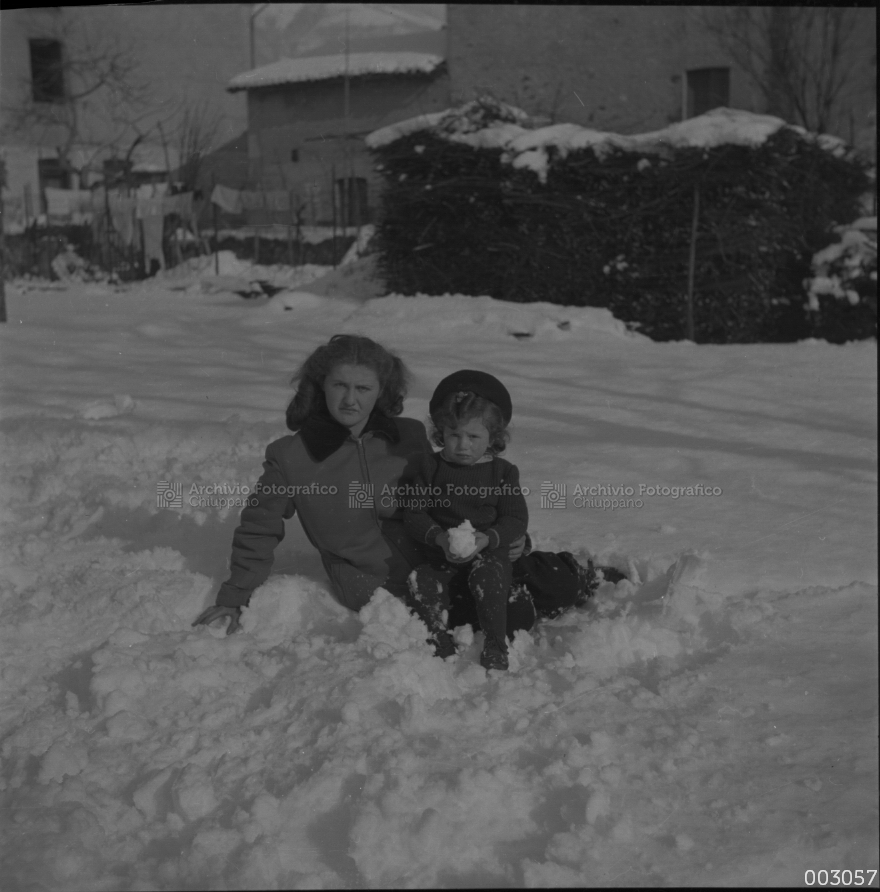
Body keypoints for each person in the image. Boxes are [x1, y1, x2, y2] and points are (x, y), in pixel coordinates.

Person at [192, 334, 607, 639]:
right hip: (375, 584)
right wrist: (233, 597)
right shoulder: (291, 456)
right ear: (321, 387)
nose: (350, 400)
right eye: (339, 385)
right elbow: (258, 529)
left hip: (441, 560)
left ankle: (583, 573)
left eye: (363, 388)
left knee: (545, 579)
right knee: (500, 610)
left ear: (381, 392)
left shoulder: (406, 435)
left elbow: (456, 494)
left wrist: (514, 539)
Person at [402, 371, 526, 671]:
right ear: (440, 432)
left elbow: (515, 517)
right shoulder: (429, 467)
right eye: (454, 434)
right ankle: (437, 638)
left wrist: (490, 538)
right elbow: (413, 512)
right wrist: (438, 537)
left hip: (487, 553)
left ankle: (496, 645)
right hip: (442, 552)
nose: (462, 445)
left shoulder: (502, 473)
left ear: (492, 438)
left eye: (474, 437)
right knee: (422, 580)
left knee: (490, 579)